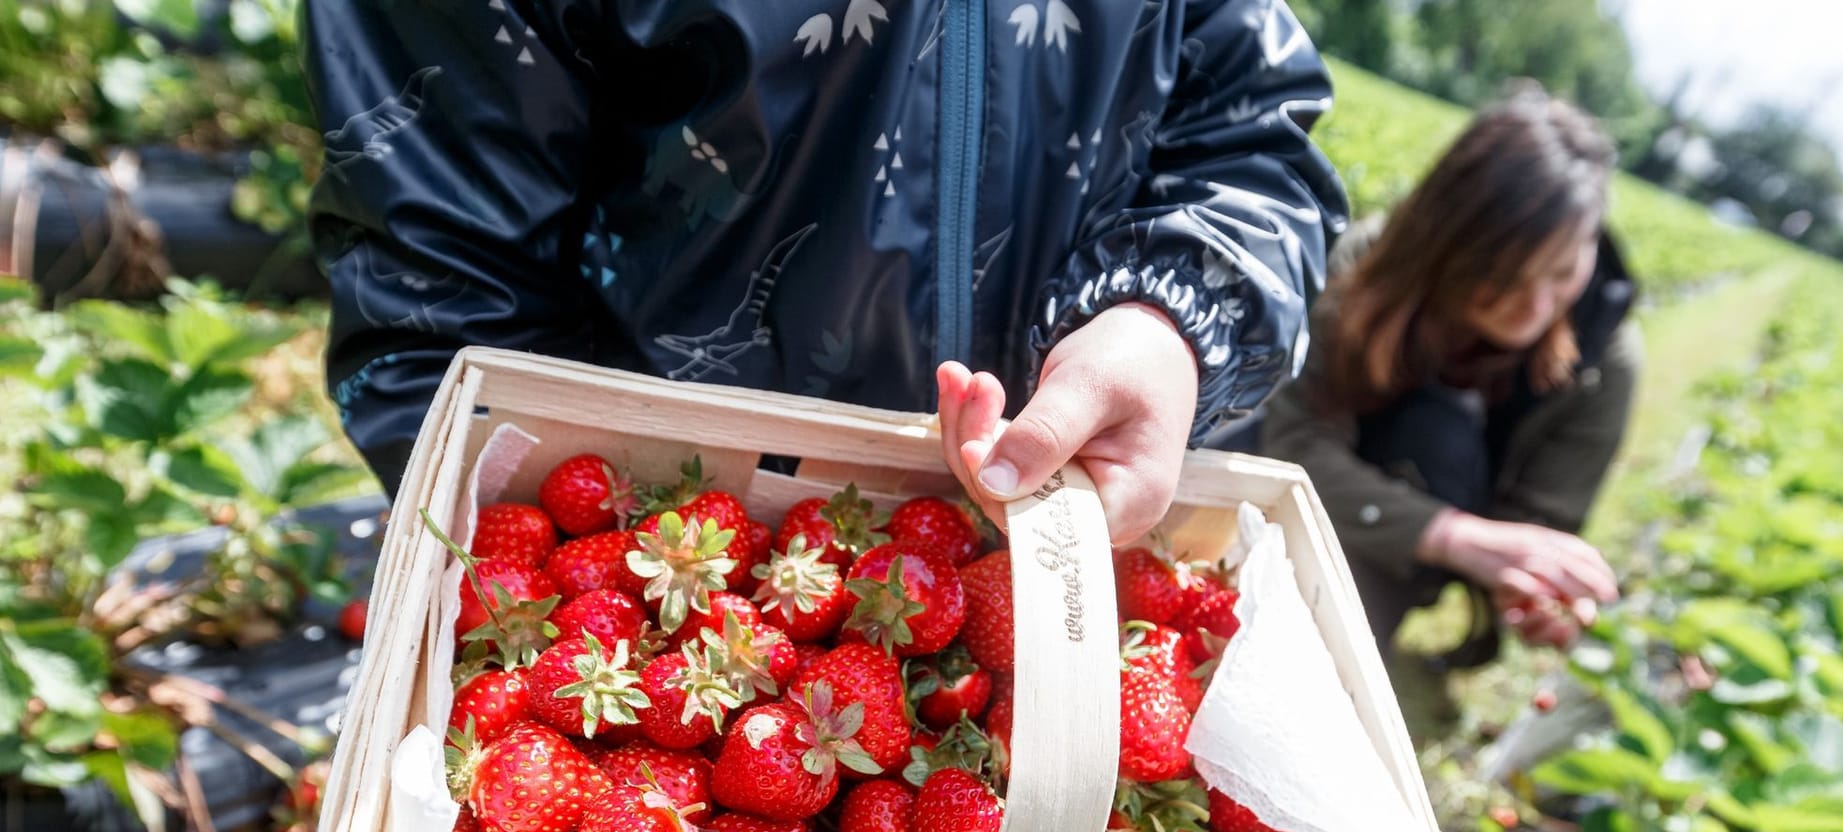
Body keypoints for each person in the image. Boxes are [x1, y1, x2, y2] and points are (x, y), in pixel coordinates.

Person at [303, 1, 1347, 543]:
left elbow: (1250, 142)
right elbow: (441, 289)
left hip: (1044, 561)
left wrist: (1165, 317)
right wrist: (576, 560)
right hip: (661, 571)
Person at [1261, 86, 1640, 659]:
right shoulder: (1370, 269)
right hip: (1351, 500)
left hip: (1414, 549)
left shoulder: (1604, 361)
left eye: (1562, 272)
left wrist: (1529, 587)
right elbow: (1293, 437)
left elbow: (1541, 520)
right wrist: (1449, 535)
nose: (1534, 306)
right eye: (1503, 276)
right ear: (1445, 241)